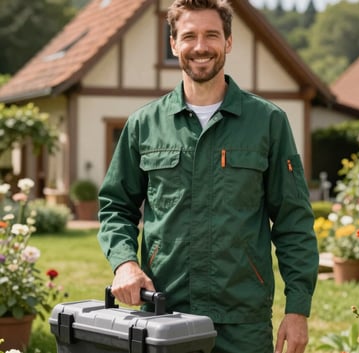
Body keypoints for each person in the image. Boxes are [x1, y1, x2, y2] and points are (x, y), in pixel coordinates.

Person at [97, 0, 319, 352]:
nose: (200, 47)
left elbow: (294, 222)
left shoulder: (268, 122)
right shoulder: (144, 124)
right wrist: (124, 264)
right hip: (162, 313)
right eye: (189, 36)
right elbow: (115, 205)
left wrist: (298, 310)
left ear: (228, 42)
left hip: (242, 320)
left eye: (211, 35)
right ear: (173, 44)